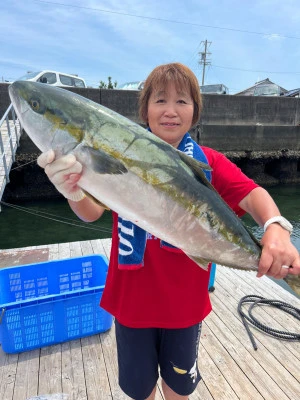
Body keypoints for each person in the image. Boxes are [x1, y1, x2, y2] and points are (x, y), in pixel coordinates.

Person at [37, 63, 300, 400]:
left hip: (184, 307)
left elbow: (253, 195)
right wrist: (72, 191)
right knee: (139, 391)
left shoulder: (209, 163)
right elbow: (91, 212)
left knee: (178, 390)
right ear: (145, 108)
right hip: (131, 303)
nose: (170, 111)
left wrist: (275, 227)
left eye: (182, 102)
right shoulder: (120, 152)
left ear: (195, 112)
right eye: (160, 100)